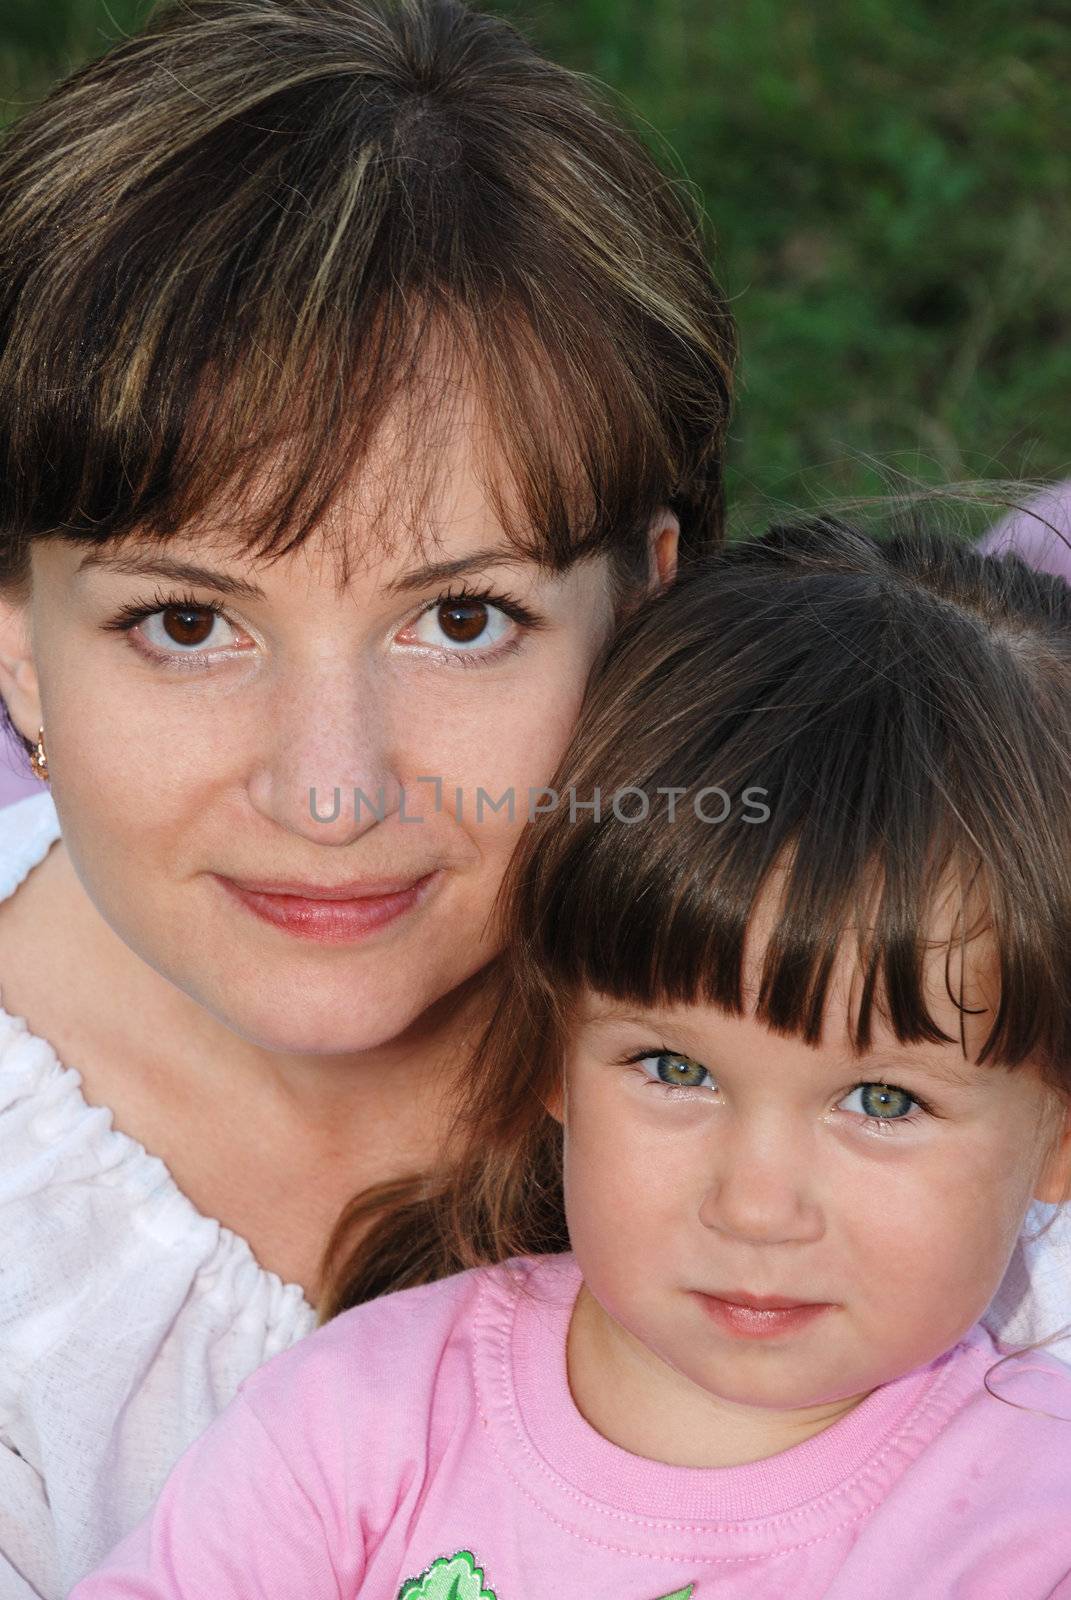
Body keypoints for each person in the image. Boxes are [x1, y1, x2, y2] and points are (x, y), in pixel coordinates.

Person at [0, 0, 737, 1591]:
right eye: (185, 624)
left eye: (461, 618)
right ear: (18, 651)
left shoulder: (878, 1020)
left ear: (647, 609)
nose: (329, 793)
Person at [73, 520, 1071, 1599]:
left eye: (882, 1099)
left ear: (1057, 1137)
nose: (756, 1205)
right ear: (554, 1050)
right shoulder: (360, 1416)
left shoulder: (1026, 1528)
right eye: (674, 1070)